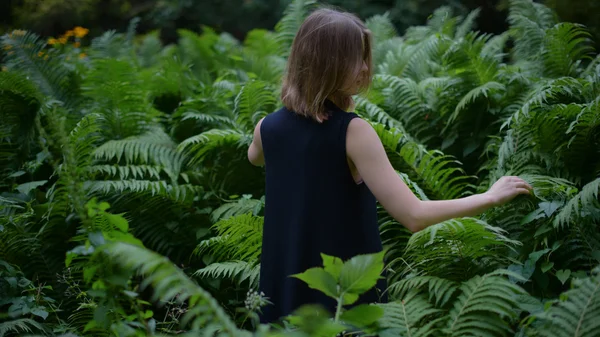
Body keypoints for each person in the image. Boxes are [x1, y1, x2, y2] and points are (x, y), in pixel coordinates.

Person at [247, 7, 532, 324]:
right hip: (344, 294)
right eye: (356, 58)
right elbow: (414, 216)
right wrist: (490, 197)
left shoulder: (266, 128)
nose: (366, 68)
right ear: (327, 63)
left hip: (280, 293)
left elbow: (255, 156)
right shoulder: (353, 132)